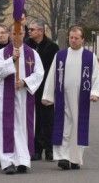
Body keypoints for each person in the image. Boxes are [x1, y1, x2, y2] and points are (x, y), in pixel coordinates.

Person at [41, 26, 99, 170]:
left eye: (76, 38)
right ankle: (63, 157)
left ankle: (75, 158)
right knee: (63, 126)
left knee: (77, 127)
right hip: (62, 97)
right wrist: (48, 95)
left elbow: (96, 76)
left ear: (83, 39)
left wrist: (95, 92)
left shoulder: (90, 57)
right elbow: (52, 75)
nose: (73, 40)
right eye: (71, 37)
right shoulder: (60, 56)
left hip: (80, 98)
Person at [0, 27, 44, 174]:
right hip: (6, 97)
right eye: (14, 33)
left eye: (20, 33)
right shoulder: (0, 54)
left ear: (24, 34)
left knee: (23, 127)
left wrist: (25, 82)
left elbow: (39, 73)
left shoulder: (32, 54)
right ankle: (8, 161)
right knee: (7, 127)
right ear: (10, 34)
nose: (17, 36)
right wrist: (12, 59)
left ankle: (22, 160)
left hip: (24, 96)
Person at [26, 19, 59, 161]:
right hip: (31, 88)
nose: (29, 32)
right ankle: (37, 149)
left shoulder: (52, 47)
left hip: (47, 87)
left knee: (48, 120)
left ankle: (50, 149)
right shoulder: (27, 45)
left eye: (32, 29)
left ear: (41, 31)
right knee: (35, 120)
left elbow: (55, 69)